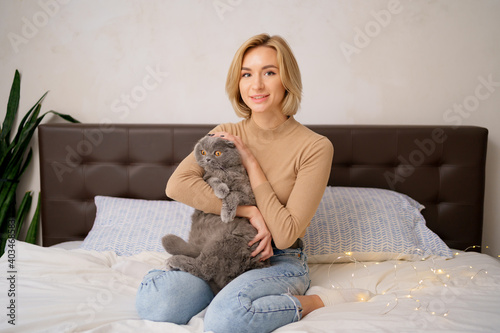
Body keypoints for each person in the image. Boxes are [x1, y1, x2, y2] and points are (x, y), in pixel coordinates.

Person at [136, 33, 366, 333]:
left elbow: (283, 236)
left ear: (287, 80)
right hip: (216, 251)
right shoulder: (225, 132)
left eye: (269, 72)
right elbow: (176, 185)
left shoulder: (315, 147)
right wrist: (248, 211)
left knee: (225, 321)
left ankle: (314, 302)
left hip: (276, 260)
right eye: (247, 74)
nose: (256, 85)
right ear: (238, 81)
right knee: (156, 304)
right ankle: (224, 291)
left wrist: (252, 163)